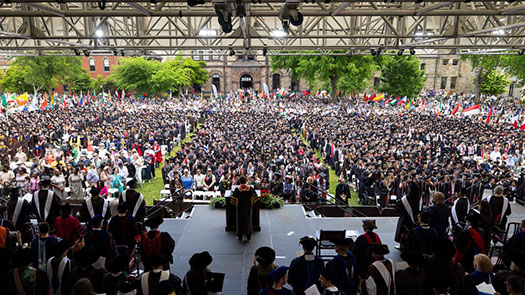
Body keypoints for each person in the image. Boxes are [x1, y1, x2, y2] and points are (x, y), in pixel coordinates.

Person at [394, 178, 421, 248]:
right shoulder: (418, 198)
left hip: (405, 218)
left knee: (403, 231)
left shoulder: (405, 198)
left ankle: (402, 245)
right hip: (415, 218)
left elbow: (398, 208)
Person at [230, 175, 259, 242]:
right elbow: (255, 199)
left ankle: (240, 237)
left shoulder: (237, 189)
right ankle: (248, 237)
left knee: (239, 221)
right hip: (248, 207)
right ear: (246, 181)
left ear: (239, 181)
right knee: (248, 220)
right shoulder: (250, 189)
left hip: (239, 208)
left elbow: (233, 201)